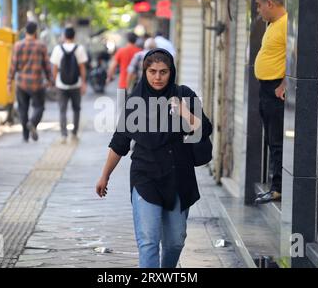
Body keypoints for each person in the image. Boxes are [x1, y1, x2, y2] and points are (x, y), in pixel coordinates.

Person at [95, 48, 213, 268]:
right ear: (145, 72)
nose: (158, 77)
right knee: (148, 242)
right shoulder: (135, 101)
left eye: (163, 72)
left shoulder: (184, 94)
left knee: (175, 242)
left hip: (179, 177)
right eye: (152, 71)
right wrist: (105, 176)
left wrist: (184, 113)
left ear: (172, 72)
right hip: (145, 176)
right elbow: (120, 142)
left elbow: (204, 129)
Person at [253, 0, 287, 205]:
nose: (258, 10)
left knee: (276, 142)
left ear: (270, 3)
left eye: (258, 5)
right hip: (266, 88)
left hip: (275, 89)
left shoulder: (286, 24)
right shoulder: (273, 24)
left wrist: (285, 83)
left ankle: (278, 189)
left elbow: (298, 56)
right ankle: (275, 186)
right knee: (272, 141)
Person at [7, 22, 54, 142]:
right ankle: (32, 123)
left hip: (21, 83)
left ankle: (25, 136)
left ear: (26, 31)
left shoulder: (18, 46)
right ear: (36, 31)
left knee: (23, 109)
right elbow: (47, 65)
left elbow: (13, 66)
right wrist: (50, 80)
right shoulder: (41, 46)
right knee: (39, 107)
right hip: (37, 83)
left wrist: (9, 82)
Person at [50, 27, 88, 143]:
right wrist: (83, 83)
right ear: (74, 36)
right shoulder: (79, 48)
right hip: (76, 84)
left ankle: (63, 135)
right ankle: (74, 134)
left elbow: (55, 68)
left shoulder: (57, 49)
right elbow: (82, 67)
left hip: (61, 85)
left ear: (64, 36)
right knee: (76, 109)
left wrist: (56, 81)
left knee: (62, 110)